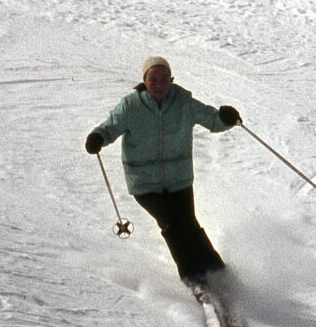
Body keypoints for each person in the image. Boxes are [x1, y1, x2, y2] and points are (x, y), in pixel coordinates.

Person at [85, 56, 241, 285]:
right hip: (144, 182)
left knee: (188, 222)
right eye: (153, 79)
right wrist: (98, 137)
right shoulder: (130, 106)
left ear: (171, 79)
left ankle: (216, 270)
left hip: (179, 179)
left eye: (164, 79)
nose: (159, 84)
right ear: (144, 81)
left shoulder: (183, 102)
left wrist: (225, 118)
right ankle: (193, 276)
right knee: (172, 222)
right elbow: (110, 126)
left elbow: (212, 120)